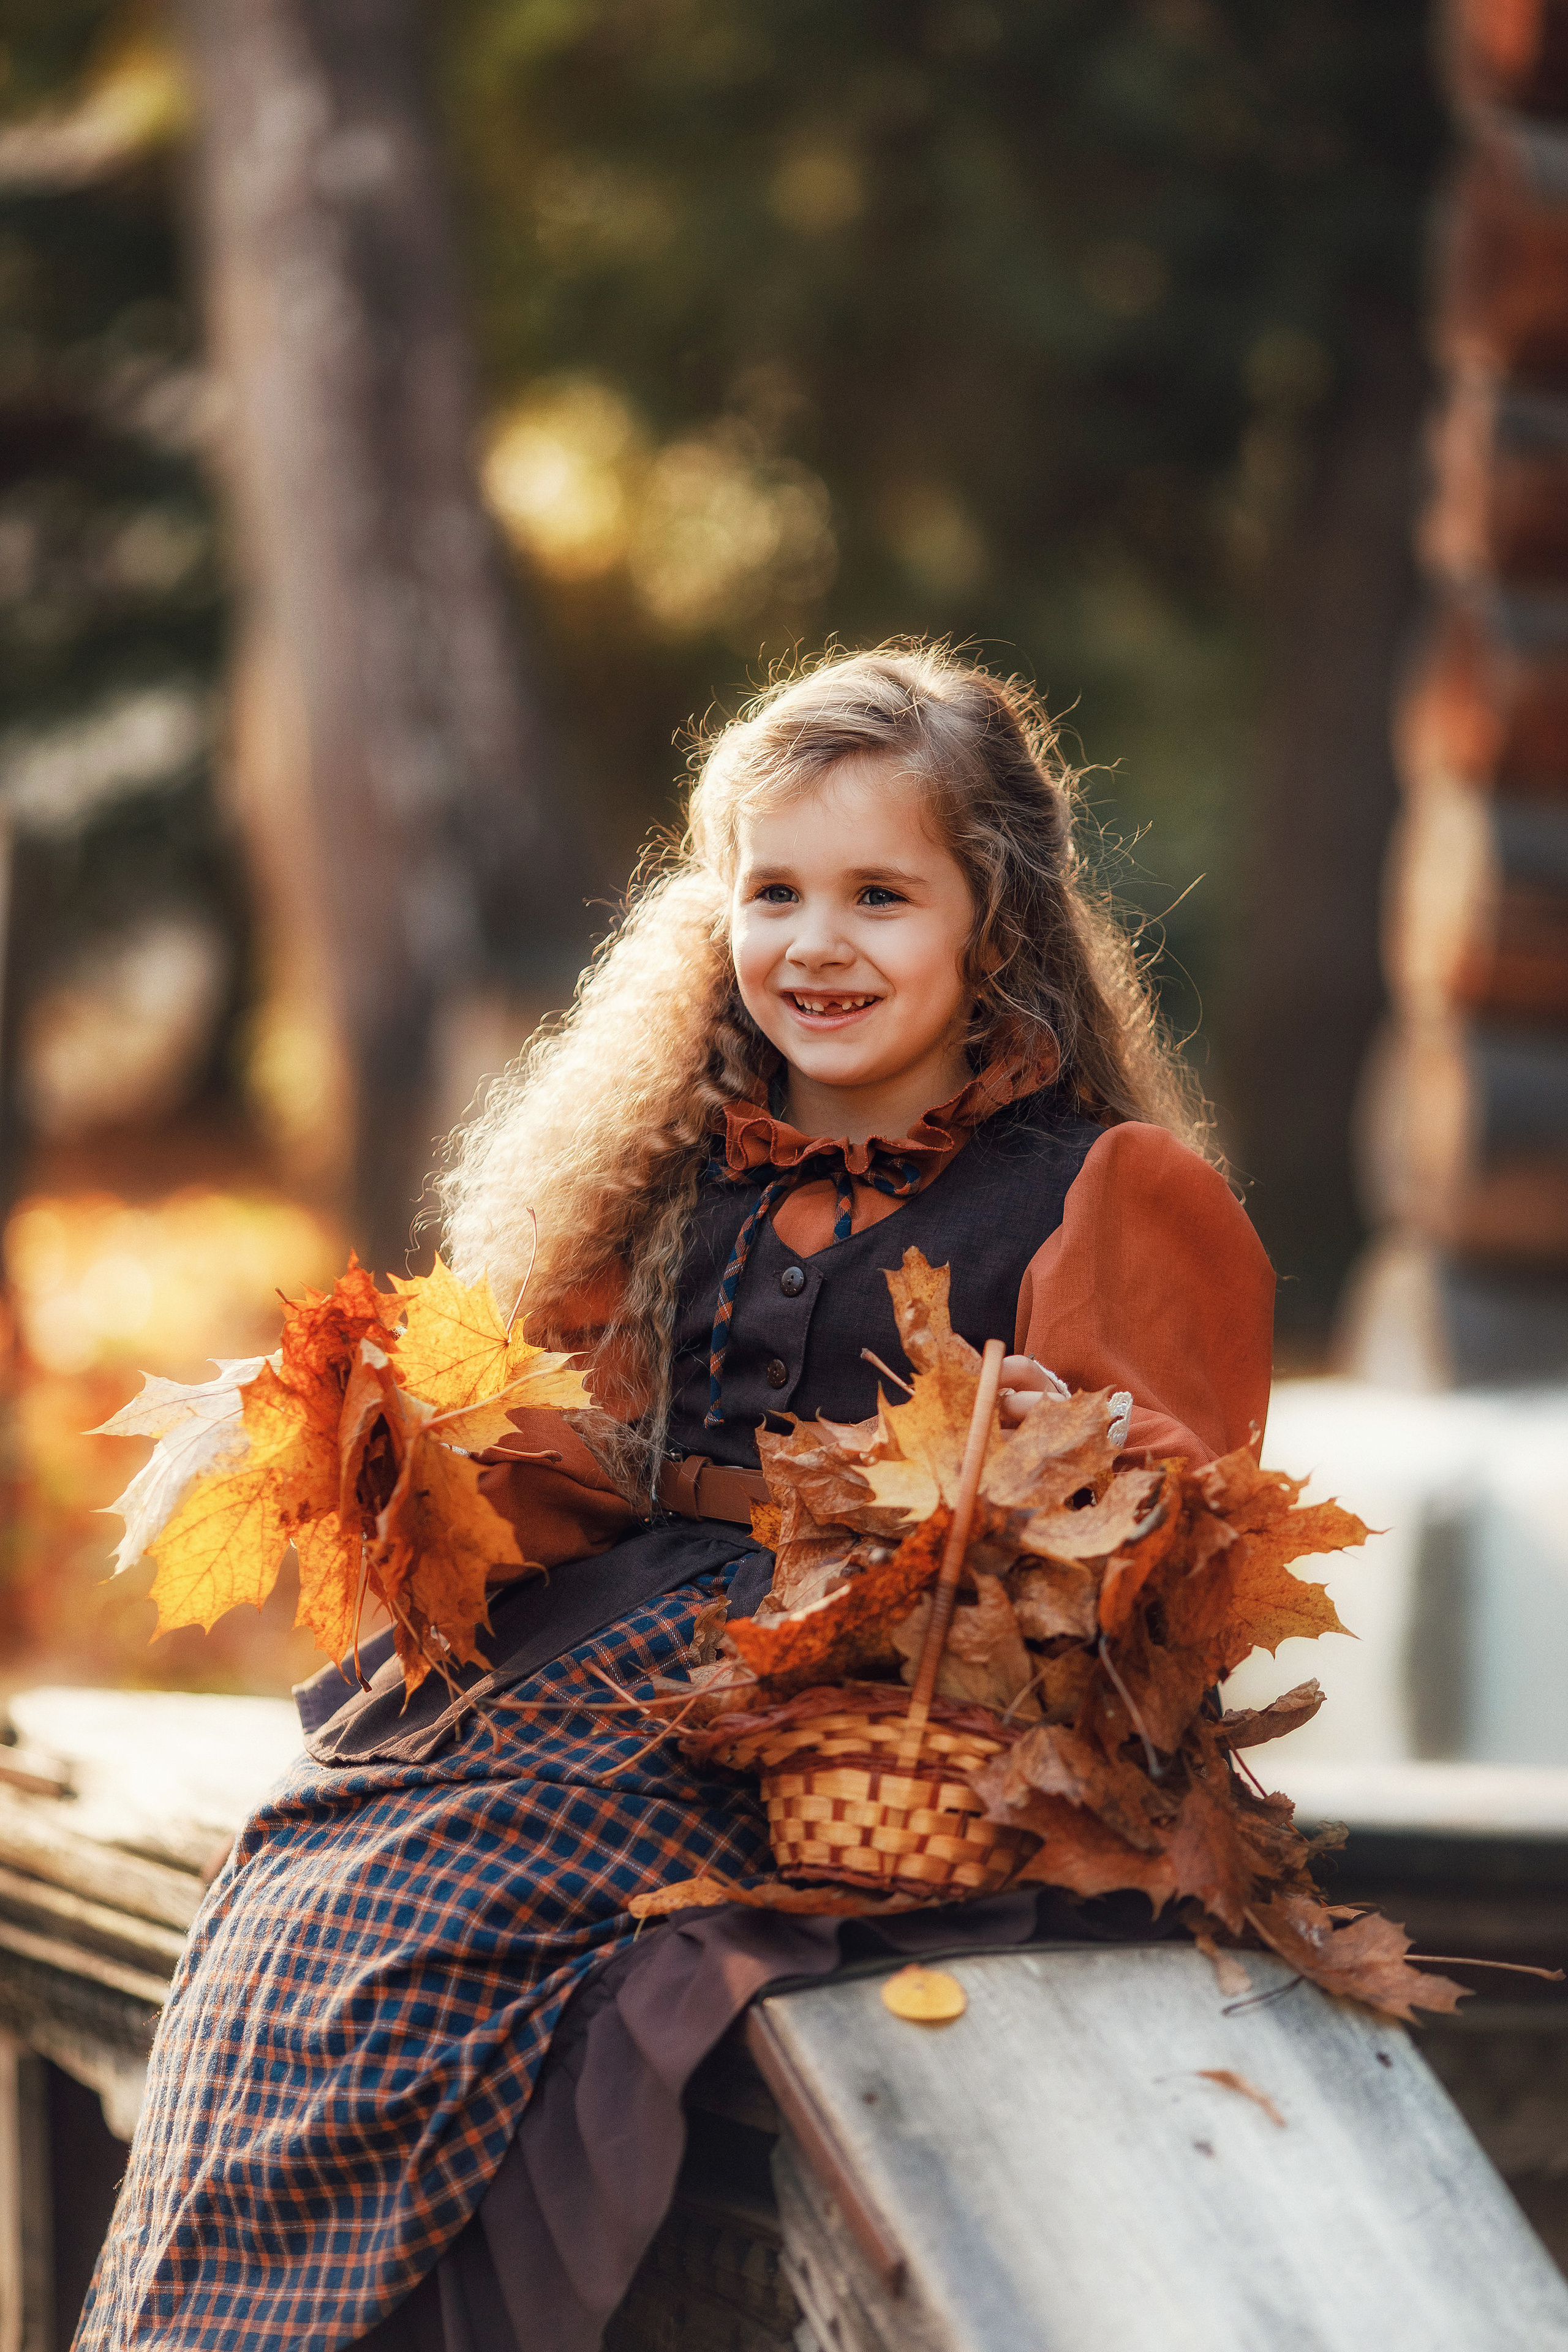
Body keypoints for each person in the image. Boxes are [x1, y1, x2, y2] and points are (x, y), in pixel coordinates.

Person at [78, 645, 1272, 2351]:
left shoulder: (1098, 1188)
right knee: (302, 1873)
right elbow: (588, 1457)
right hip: (617, 1653)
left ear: (990, 923)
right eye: (773, 891)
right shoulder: (679, 1171)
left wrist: (1002, 1506)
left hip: (879, 1692)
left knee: (451, 1905)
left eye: (881, 893)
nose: (818, 943)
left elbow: (1166, 1520)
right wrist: (440, 1459)